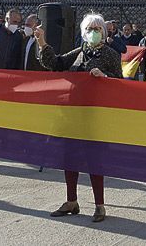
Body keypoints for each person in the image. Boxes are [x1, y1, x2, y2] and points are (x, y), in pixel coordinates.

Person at [34, 13, 121, 223]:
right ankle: (71, 200)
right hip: (72, 115)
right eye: (90, 29)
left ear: (104, 31)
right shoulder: (80, 51)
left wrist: (105, 78)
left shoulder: (110, 55)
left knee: (94, 161)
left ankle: (99, 205)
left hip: (95, 117)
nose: (93, 33)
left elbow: (121, 85)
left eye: (97, 29)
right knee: (69, 157)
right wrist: (41, 40)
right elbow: (56, 63)